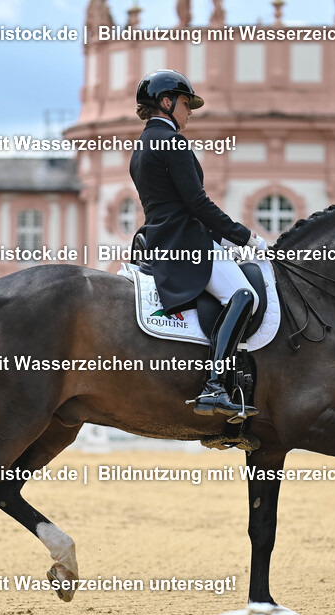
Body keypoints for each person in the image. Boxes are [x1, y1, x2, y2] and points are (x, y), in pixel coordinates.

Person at [129, 69, 270, 419]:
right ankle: (215, 385)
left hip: (160, 241)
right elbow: (197, 203)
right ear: (166, 102)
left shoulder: (141, 147)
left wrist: (225, 239)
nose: (190, 111)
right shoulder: (173, 143)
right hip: (187, 243)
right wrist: (245, 237)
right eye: (186, 103)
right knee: (245, 296)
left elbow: (173, 205)